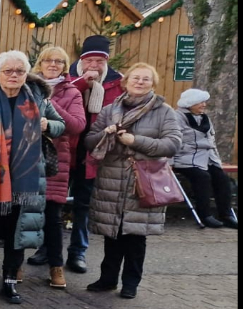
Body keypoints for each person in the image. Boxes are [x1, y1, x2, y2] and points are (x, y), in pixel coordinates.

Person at [0, 51, 66, 304]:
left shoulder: (39, 100)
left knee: (17, 232)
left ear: (26, 74)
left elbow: (61, 125)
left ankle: (10, 281)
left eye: (19, 71)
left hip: (25, 180)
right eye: (8, 71)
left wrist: (48, 125)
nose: (14, 75)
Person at [83, 63, 180, 299]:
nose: (140, 82)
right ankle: (107, 279)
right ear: (125, 82)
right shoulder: (109, 110)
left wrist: (135, 141)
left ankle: (130, 283)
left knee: (136, 237)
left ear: (153, 84)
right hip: (112, 178)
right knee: (112, 234)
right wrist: (105, 134)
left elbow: (172, 144)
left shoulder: (164, 111)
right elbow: (89, 141)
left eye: (146, 79)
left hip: (142, 180)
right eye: (136, 78)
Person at [26, 47, 86, 289]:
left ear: (65, 66)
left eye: (59, 61)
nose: (53, 64)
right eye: (48, 60)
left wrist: (50, 105)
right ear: (40, 63)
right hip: (24, 159)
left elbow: (77, 125)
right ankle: (15, 265)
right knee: (21, 214)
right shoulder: (25, 86)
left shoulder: (72, 92)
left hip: (54, 160)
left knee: (52, 217)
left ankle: (56, 266)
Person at [65, 35, 124, 274]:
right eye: (90, 60)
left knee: (84, 203)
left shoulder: (117, 82)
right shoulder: (68, 77)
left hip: (94, 151)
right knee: (54, 202)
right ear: (82, 60)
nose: (95, 66)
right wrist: (83, 82)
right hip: (66, 148)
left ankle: (78, 251)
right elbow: (63, 99)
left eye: (100, 61)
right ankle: (47, 250)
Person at [173, 89, 237, 228]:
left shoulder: (205, 118)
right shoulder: (176, 118)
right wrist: (168, 162)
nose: (204, 105)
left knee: (222, 178)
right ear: (189, 103)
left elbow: (211, 141)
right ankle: (205, 215)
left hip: (207, 158)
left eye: (204, 102)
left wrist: (217, 161)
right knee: (202, 177)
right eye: (200, 102)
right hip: (184, 158)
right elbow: (172, 141)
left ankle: (226, 215)